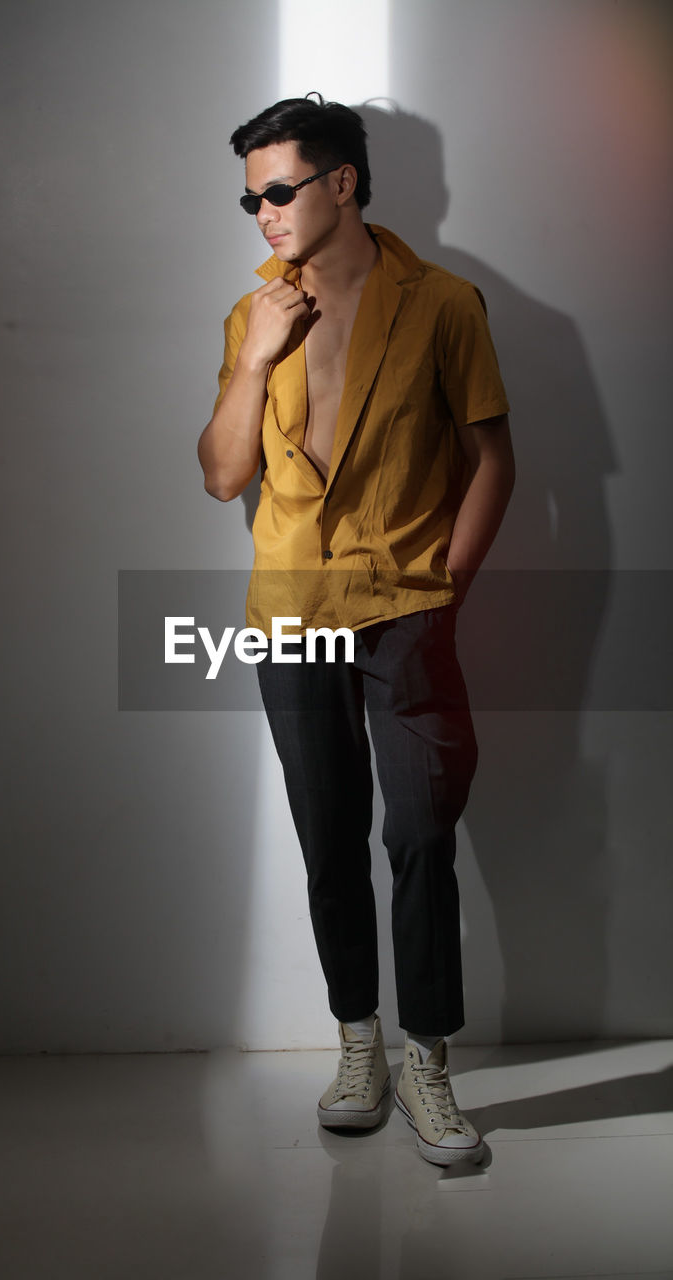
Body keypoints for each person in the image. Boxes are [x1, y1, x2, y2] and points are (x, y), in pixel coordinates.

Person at [197, 96, 514, 1166]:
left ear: (340, 184)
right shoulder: (252, 317)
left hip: (402, 608)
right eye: (248, 198)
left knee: (419, 832)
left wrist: (446, 591)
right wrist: (253, 361)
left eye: (277, 189)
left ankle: (425, 1055)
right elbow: (221, 475)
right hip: (289, 616)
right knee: (327, 837)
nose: (261, 213)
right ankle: (357, 1042)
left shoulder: (443, 303)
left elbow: (492, 460)